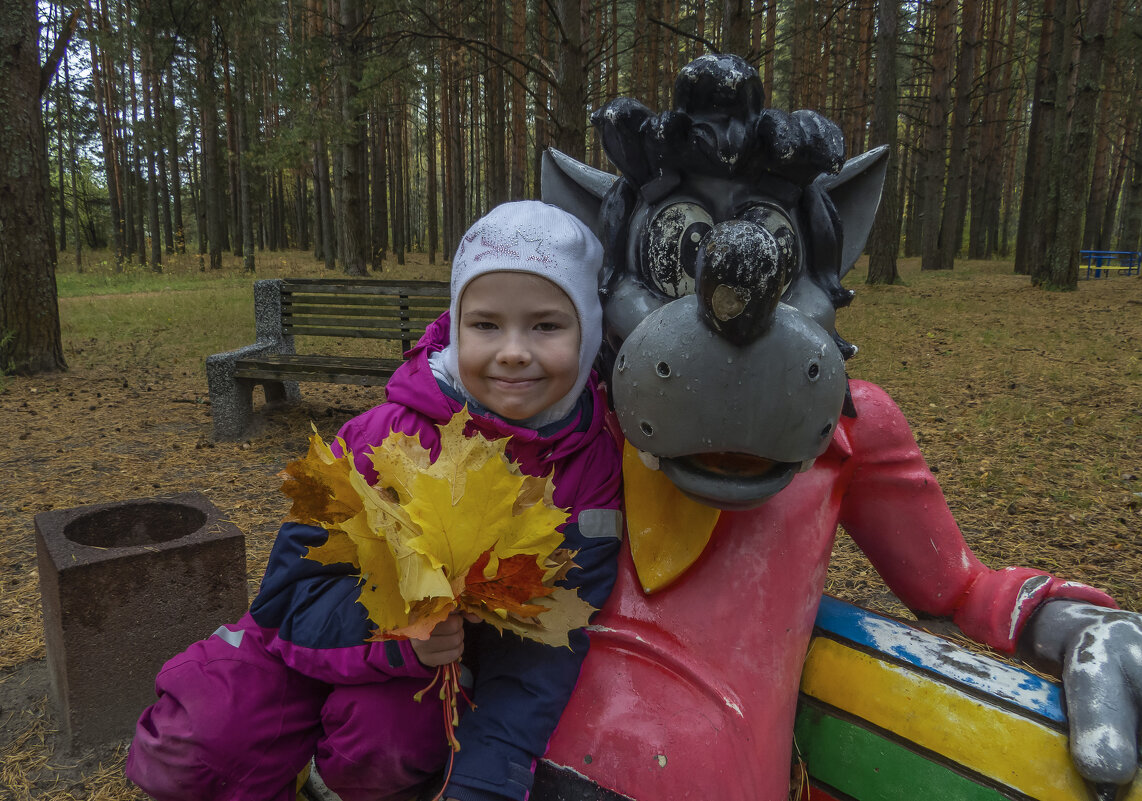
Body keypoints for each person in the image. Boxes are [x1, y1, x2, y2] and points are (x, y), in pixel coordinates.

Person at [125, 200, 625, 801]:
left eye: (546, 325)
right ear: (456, 323)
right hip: (321, 641)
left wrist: (486, 784)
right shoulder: (380, 438)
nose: (513, 351)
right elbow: (289, 597)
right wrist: (394, 634)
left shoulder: (591, 472)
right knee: (189, 747)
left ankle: (331, 778)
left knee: (386, 740)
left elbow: (542, 655)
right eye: (486, 324)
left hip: (422, 679)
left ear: (589, 330)